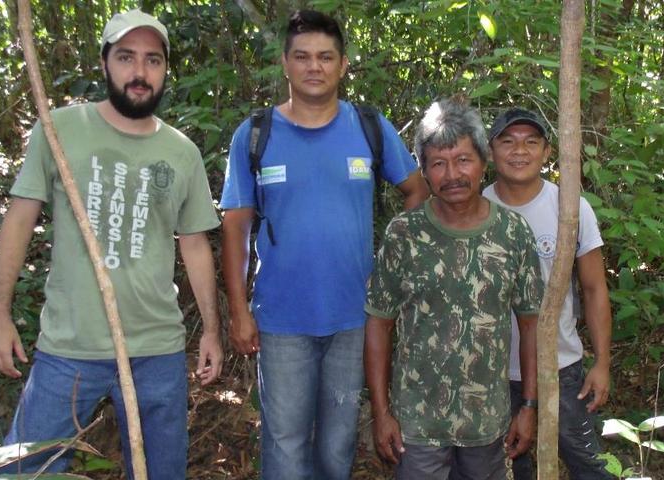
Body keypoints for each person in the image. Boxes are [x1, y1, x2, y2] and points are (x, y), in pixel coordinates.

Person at [0, 9, 222, 478]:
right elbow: (19, 219)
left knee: (160, 472)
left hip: (156, 348)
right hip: (70, 345)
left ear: (166, 69)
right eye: (126, 57)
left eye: (153, 60)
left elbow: (194, 244)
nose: (139, 72)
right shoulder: (60, 129)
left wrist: (211, 329)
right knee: (25, 470)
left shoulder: (181, 152)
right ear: (105, 62)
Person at [219, 9, 428, 480]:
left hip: (354, 317)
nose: (314, 66)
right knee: (285, 445)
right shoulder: (255, 134)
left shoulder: (369, 127)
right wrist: (238, 309)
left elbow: (416, 189)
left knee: (337, 447)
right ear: (285, 64)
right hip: (280, 318)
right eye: (303, 56)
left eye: (325, 57)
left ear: (343, 65)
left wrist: (393, 264)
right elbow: (235, 224)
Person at [364, 99, 543, 479]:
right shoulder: (404, 234)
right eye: (438, 163)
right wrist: (381, 415)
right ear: (424, 171)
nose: (453, 174)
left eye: (463, 160)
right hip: (417, 426)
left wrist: (528, 405)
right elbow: (379, 324)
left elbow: (530, 325)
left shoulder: (512, 233)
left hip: (487, 425)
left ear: (483, 162)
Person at [483, 108, 613, 479]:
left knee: (588, 463)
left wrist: (602, 363)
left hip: (561, 365)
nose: (519, 151)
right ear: (491, 152)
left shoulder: (570, 208)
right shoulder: (475, 208)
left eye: (530, 142)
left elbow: (593, 287)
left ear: (547, 152)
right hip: (493, 372)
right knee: (511, 464)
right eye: (507, 142)